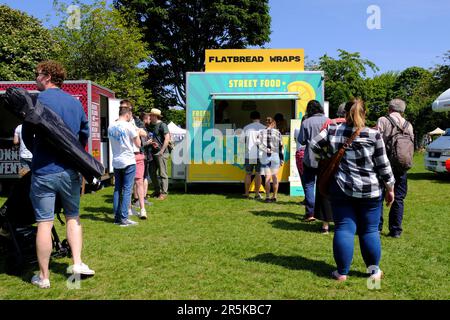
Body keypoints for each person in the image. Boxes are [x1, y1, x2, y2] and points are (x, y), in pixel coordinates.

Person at [22, 60, 95, 289]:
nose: (35, 78)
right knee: (73, 216)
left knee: (44, 223)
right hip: (70, 171)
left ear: (47, 76)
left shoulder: (36, 101)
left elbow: (26, 135)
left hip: (44, 170)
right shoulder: (74, 103)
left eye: (37, 74)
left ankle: (44, 277)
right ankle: (77, 263)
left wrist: (38, 154)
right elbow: (84, 136)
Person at [310, 98, 395, 281]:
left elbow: (313, 145)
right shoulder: (374, 135)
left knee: (344, 229)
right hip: (371, 191)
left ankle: (341, 272)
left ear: (345, 113)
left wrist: (326, 156)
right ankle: (373, 272)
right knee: (370, 230)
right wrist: (390, 188)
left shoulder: (332, 130)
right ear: (363, 113)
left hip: (341, 188)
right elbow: (384, 166)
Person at [376, 99, 414, 238]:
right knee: (398, 198)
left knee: (378, 196)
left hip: (384, 165)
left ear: (389, 108)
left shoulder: (383, 120)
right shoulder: (408, 124)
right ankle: (396, 230)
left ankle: (377, 228)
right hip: (402, 165)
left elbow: (377, 142)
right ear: (402, 110)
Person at [314, 102, 347, 234]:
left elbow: (316, 143)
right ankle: (343, 223)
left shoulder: (329, 124)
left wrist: (322, 156)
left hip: (328, 163)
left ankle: (325, 226)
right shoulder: (356, 126)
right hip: (347, 165)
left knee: (325, 192)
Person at [108, 101, 141, 226]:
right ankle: (124, 218)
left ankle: (117, 218)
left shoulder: (111, 126)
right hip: (128, 160)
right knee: (127, 190)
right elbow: (138, 144)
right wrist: (137, 132)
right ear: (127, 115)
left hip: (116, 161)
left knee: (117, 189)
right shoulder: (129, 126)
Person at [298, 100, 328, 222]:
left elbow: (302, 140)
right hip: (324, 158)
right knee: (323, 186)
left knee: (309, 185)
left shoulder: (306, 122)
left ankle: (310, 213)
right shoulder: (328, 121)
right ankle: (323, 214)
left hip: (310, 158)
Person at [257, 117, 284, 202]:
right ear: (273, 123)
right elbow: (281, 147)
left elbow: (258, 144)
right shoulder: (278, 133)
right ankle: (275, 196)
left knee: (267, 177)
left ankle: (268, 197)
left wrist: (266, 150)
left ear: (266, 123)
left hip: (265, 156)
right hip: (275, 155)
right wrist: (282, 159)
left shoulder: (261, 132)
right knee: (275, 177)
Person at [129, 110, 149, 219]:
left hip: (137, 155)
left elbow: (144, 134)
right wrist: (136, 132)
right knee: (128, 184)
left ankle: (142, 209)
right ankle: (130, 208)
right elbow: (139, 142)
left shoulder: (136, 123)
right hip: (128, 156)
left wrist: (136, 130)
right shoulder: (118, 124)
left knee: (138, 182)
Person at [148, 108, 170, 200]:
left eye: (151, 115)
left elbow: (167, 138)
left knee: (162, 173)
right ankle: (157, 191)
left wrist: (162, 150)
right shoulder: (152, 125)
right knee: (152, 172)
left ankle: (164, 193)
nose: (150, 117)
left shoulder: (162, 125)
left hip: (161, 153)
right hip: (153, 152)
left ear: (155, 116)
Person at [242, 111, 266, 199]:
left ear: (251, 118)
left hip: (249, 154)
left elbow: (242, 141)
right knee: (258, 174)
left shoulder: (246, 128)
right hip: (260, 154)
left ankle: (247, 193)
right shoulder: (264, 128)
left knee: (248, 174)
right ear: (260, 118)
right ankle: (257, 194)